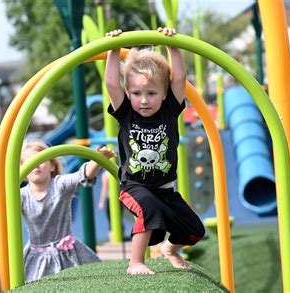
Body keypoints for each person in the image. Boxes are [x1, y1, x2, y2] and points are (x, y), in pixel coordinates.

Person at [105, 27, 206, 275]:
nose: (144, 100)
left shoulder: (169, 110)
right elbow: (110, 82)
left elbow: (180, 78)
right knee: (148, 208)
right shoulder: (126, 112)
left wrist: (172, 45)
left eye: (151, 93)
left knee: (194, 230)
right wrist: (113, 50)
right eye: (137, 93)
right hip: (135, 185)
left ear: (164, 93)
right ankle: (136, 262)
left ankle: (169, 249)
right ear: (128, 93)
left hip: (165, 189)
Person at [20, 139, 116, 283]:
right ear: (21, 168)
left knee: (86, 282)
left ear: (52, 166)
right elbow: (3, 214)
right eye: (29, 161)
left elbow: (82, 175)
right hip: (36, 255)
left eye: (40, 159)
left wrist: (98, 160)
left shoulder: (59, 185)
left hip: (68, 251)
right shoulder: (20, 195)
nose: (35, 164)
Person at [98, 170, 124, 241]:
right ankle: (119, 237)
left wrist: (101, 202)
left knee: (111, 221)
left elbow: (104, 189)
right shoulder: (118, 171)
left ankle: (113, 239)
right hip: (120, 199)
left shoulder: (106, 175)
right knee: (118, 219)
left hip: (111, 199)